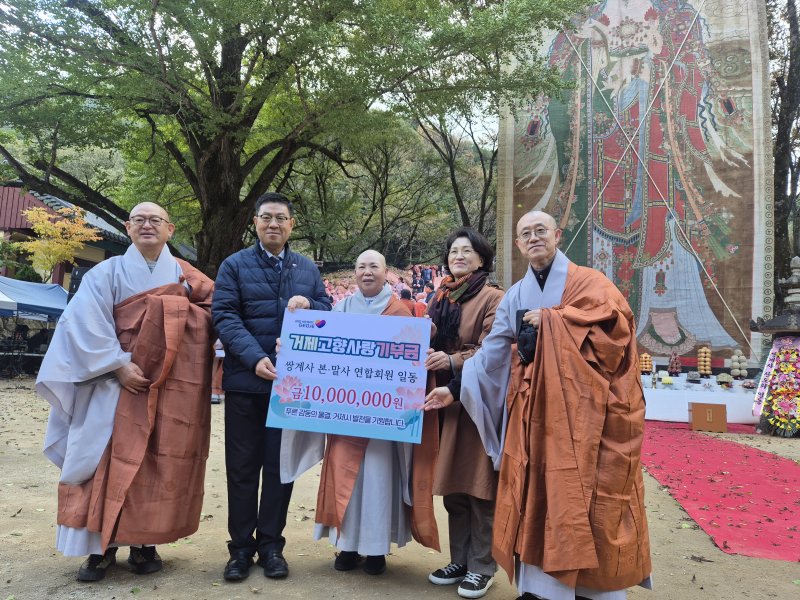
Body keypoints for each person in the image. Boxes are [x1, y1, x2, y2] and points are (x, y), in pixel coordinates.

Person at [425, 211, 652, 600]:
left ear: (557, 235)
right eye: (525, 233)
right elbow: (492, 354)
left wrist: (553, 323)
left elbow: (616, 340)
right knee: (534, 491)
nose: (533, 238)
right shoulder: (517, 293)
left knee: (588, 494)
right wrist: (456, 389)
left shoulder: (592, 284)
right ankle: (541, 586)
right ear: (517, 244)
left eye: (540, 230)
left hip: (587, 414)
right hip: (532, 415)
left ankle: (592, 588)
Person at [37, 202, 215, 582]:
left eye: (156, 220)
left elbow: (215, 312)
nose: (147, 225)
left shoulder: (187, 276)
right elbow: (82, 322)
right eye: (139, 220)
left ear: (170, 230)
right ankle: (99, 550)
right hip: (111, 385)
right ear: (128, 228)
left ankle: (143, 543)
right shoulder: (106, 272)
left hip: (163, 386)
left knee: (154, 461)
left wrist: (177, 317)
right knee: (105, 458)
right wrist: (118, 364)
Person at [281, 250, 439, 575]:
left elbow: (412, 365)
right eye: (361, 267)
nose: (367, 272)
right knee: (344, 477)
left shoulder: (402, 312)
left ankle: (377, 549)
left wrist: (425, 343)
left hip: (382, 419)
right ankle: (347, 546)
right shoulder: (340, 308)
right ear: (355, 273)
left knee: (380, 480)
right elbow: (319, 350)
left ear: (386, 273)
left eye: (374, 267)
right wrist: (294, 344)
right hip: (345, 414)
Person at [212, 192, 332, 582]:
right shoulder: (234, 265)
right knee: (242, 469)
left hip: (291, 389)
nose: (274, 224)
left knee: (281, 470)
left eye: (281, 218)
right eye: (266, 217)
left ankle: (271, 545)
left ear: (291, 224)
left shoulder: (307, 269)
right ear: (255, 222)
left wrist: (311, 306)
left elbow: (328, 313)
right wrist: (253, 357)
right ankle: (241, 549)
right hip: (247, 383)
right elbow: (224, 315)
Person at [424, 227, 503, 599]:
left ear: (482, 259)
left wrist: (453, 359)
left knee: (478, 486)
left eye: (466, 251)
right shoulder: (440, 297)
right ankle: (462, 560)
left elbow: (494, 351)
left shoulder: (492, 297)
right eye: (453, 250)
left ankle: (483, 565)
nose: (458, 256)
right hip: (442, 403)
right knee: (454, 487)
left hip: (476, 405)